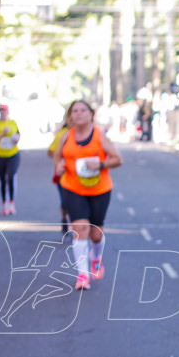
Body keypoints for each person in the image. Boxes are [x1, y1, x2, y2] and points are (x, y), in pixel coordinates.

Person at [53, 100, 123, 291]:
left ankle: (96, 258)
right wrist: (59, 165)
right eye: (75, 111)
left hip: (99, 189)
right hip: (73, 187)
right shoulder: (66, 136)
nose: (79, 114)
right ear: (70, 116)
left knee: (96, 233)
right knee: (80, 228)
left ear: (91, 114)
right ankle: (82, 274)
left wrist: (100, 165)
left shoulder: (100, 136)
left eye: (83, 110)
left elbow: (117, 159)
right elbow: (58, 155)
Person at [0, 104, 22, 215]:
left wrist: (16, 138)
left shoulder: (12, 123)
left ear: (8, 112)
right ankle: (4, 203)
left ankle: (11, 203)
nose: (3, 113)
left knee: (11, 176)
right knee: (3, 179)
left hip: (12, 154)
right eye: (1, 111)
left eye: (5, 111)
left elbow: (18, 134)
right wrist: (2, 133)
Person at [48, 108, 73, 235]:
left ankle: (75, 225)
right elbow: (50, 152)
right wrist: (60, 160)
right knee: (65, 201)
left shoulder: (89, 133)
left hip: (83, 175)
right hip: (63, 174)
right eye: (71, 116)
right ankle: (65, 219)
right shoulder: (61, 135)